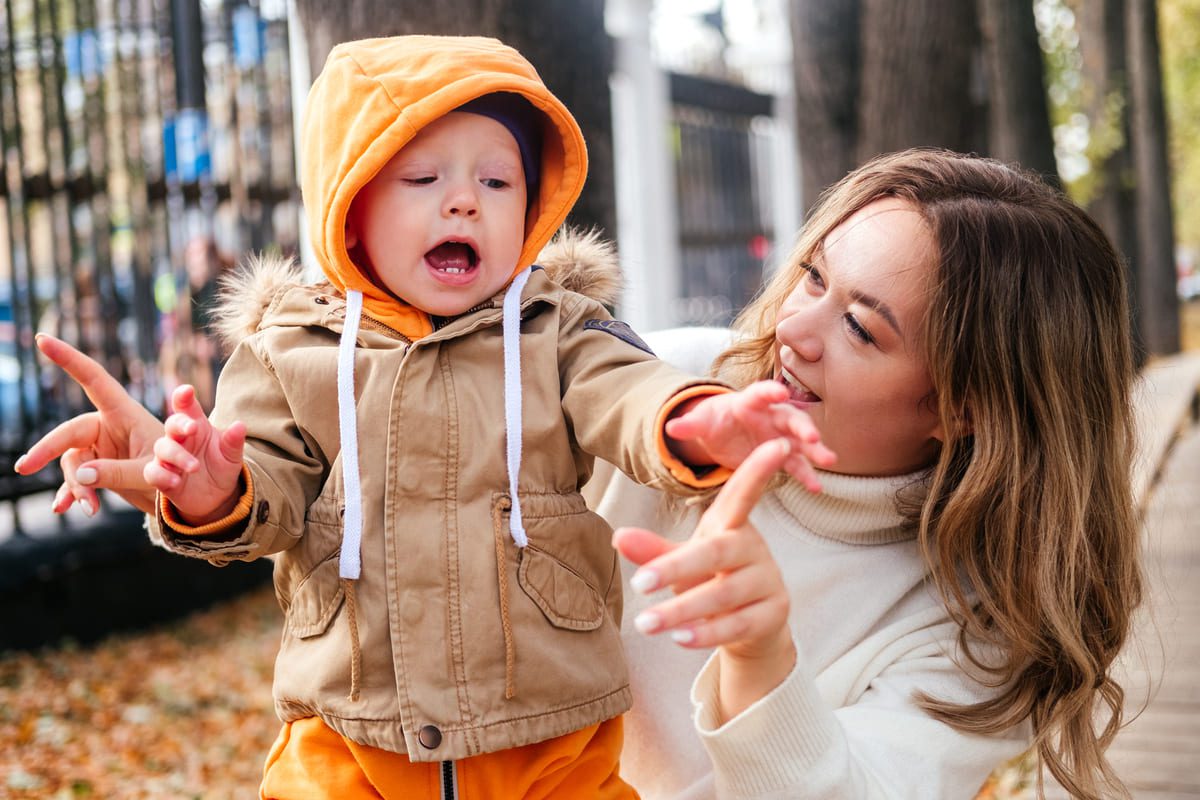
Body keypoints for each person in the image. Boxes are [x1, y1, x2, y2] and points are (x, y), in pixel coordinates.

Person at [15, 148, 1141, 799]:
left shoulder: (983, 631)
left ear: (967, 410)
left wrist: (761, 654)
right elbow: (381, 477)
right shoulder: (671, 388)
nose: (793, 328)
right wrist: (190, 480)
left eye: (859, 323)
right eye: (809, 276)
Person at [14, 35, 832, 799]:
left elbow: (628, 392)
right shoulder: (291, 355)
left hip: (552, 735)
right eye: (423, 179)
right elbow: (261, 489)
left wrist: (697, 421)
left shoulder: (557, 330)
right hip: (349, 736)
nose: (465, 204)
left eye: (496, 181)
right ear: (351, 206)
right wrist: (205, 486)